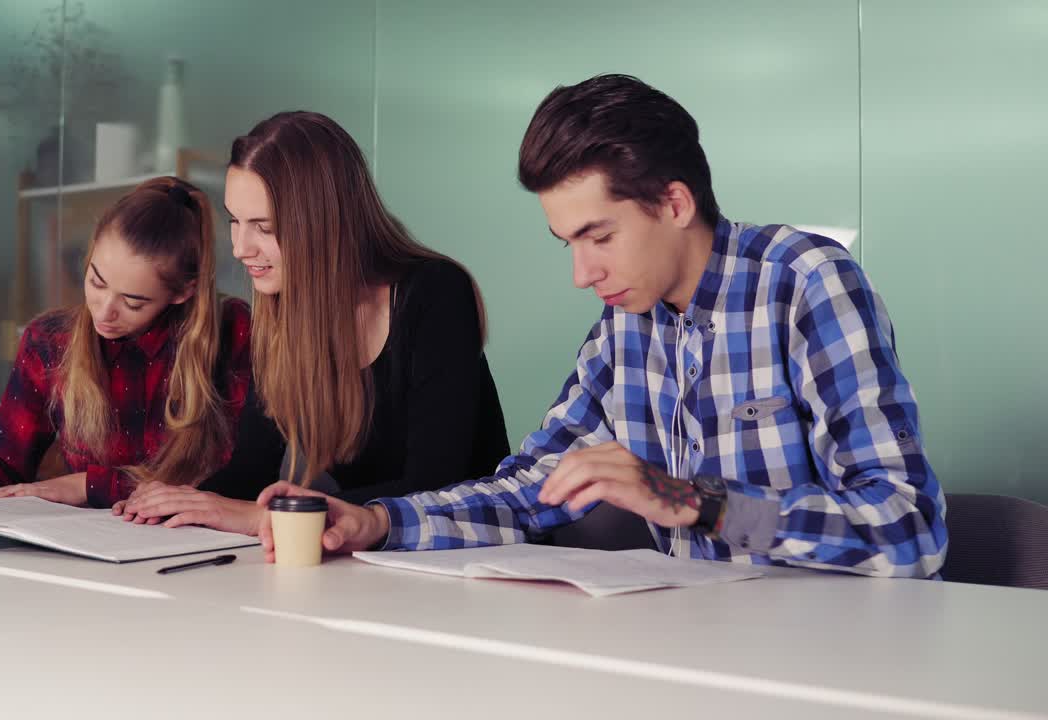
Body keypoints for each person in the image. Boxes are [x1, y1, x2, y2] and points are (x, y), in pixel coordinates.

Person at [256, 75, 948, 578]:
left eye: (600, 236)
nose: (582, 274)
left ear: (674, 203)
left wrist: (691, 501)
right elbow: (533, 487)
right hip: (706, 643)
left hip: (837, 652)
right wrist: (377, 522)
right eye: (569, 244)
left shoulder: (804, 283)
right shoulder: (624, 328)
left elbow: (907, 529)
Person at [117, 111, 510, 533]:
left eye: (262, 227)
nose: (240, 248)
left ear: (323, 225)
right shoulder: (282, 309)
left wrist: (267, 516)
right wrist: (188, 503)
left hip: (468, 552)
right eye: (235, 221)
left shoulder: (434, 291)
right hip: (371, 560)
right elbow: (252, 470)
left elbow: (436, 483)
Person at [0, 177, 276, 509]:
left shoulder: (231, 331)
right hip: (84, 553)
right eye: (96, 281)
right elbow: (6, 461)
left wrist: (86, 485)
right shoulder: (49, 340)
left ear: (182, 292)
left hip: (201, 557)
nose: (104, 311)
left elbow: (236, 484)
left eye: (133, 302)